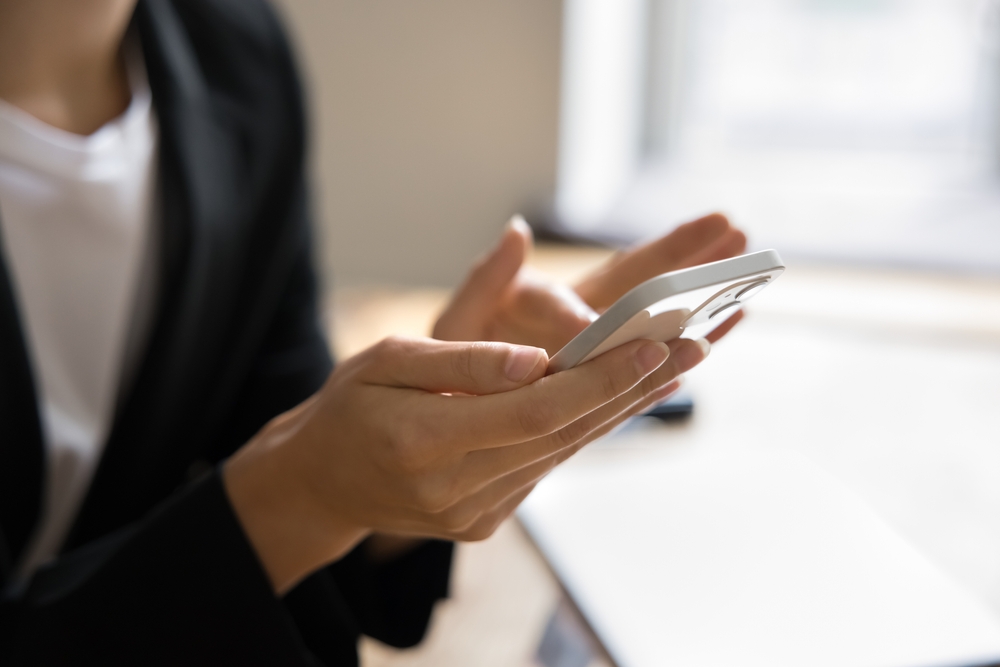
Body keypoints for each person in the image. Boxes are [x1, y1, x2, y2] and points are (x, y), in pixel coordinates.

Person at [0, 0, 748, 664]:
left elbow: (273, 550)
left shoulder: (232, 54)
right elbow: (263, 503)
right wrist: (297, 491)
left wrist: (430, 432)